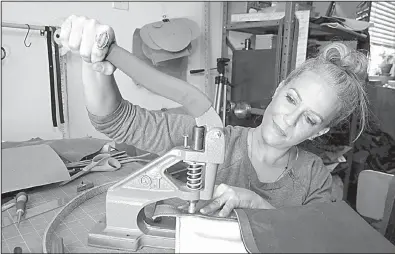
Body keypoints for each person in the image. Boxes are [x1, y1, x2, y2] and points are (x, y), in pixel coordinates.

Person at [59, 16, 369, 218]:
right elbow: (116, 121)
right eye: (291, 99)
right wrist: (96, 61)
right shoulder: (211, 137)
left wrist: (259, 205)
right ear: (278, 88)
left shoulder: (315, 178)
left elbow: (319, 241)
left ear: (319, 132)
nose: (289, 119)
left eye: (310, 119)